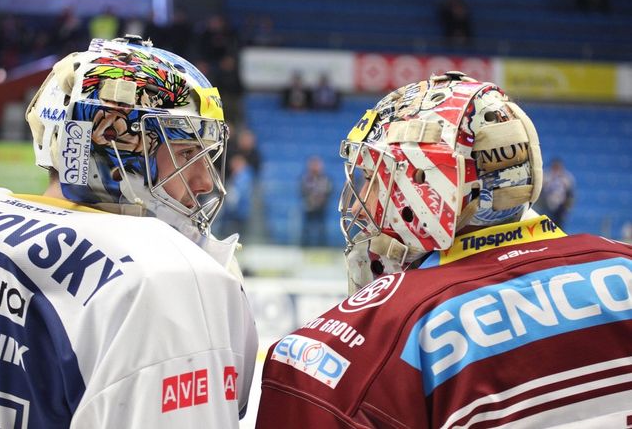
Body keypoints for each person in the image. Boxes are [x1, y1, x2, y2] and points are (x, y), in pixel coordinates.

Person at [256, 71, 632, 428]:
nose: (357, 206)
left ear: (427, 184)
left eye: (371, 178)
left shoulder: (379, 337)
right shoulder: (624, 264)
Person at [0, 35, 257, 428]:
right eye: (186, 154)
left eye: (207, 157)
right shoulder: (165, 276)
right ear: (110, 142)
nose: (203, 182)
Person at [300, 155, 333, 246]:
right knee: (307, 229)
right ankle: (305, 247)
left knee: (321, 229)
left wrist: (322, 200)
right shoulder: (305, 178)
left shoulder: (325, 178)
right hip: (309, 207)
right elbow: (302, 191)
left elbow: (329, 191)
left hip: (321, 208)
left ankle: (322, 247)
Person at [540, 157, 576, 228]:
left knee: (559, 227)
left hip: (560, 208)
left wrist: (567, 207)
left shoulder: (566, 177)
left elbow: (570, 194)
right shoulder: (545, 176)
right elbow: (540, 192)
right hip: (546, 206)